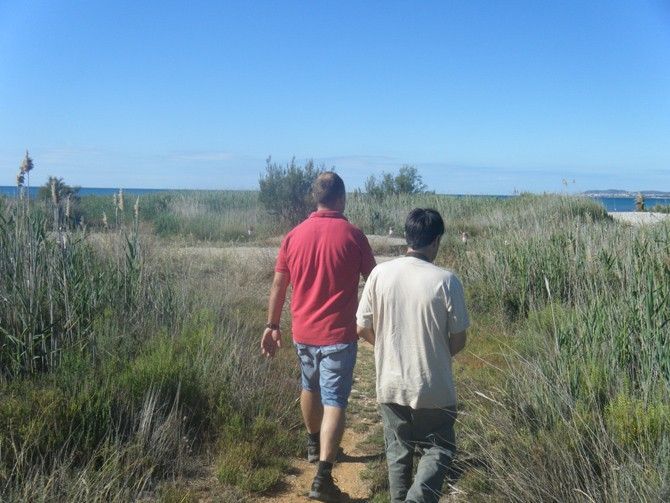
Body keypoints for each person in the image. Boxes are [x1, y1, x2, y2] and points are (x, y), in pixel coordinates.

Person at [261, 171, 376, 502]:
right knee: (335, 400)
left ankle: (314, 445)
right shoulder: (354, 236)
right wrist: (374, 323)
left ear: (316, 198)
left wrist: (272, 325)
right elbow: (374, 282)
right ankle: (323, 478)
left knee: (309, 387)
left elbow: (279, 284)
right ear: (342, 198)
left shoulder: (293, 235)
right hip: (338, 333)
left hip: (303, 332)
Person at [356, 208, 469, 503]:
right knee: (439, 447)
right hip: (433, 384)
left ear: (408, 236)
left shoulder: (380, 274)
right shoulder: (446, 281)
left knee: (398, 450)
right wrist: (436, 354)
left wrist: (385, 348)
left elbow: (362, 327)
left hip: (390, 381)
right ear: (436, 240)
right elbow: (459, 339)